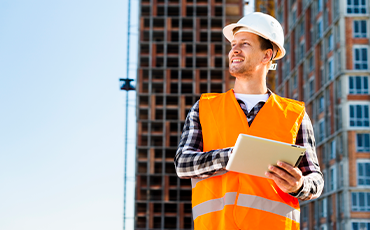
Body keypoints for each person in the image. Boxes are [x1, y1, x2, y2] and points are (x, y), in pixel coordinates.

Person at [174, 12, 324, 230]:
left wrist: (299, 184)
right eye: (233, 44)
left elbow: (316, 181)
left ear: (267, 56)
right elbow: (183, 164)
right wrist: (230, 157)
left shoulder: (294, 114)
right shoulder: (205, 107)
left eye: (244, 44)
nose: (234, 49)